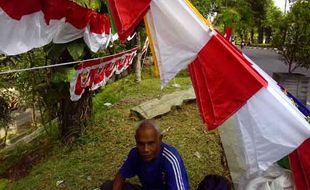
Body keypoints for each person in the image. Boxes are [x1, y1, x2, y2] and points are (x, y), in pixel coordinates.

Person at [101, 119, 189, 190]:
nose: (146, 149)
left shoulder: (171, 159)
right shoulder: (135, 153)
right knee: (108, 187)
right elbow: (121, 176)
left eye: (151, 143)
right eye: (141, 144)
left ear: (160, 139)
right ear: (136, 139)